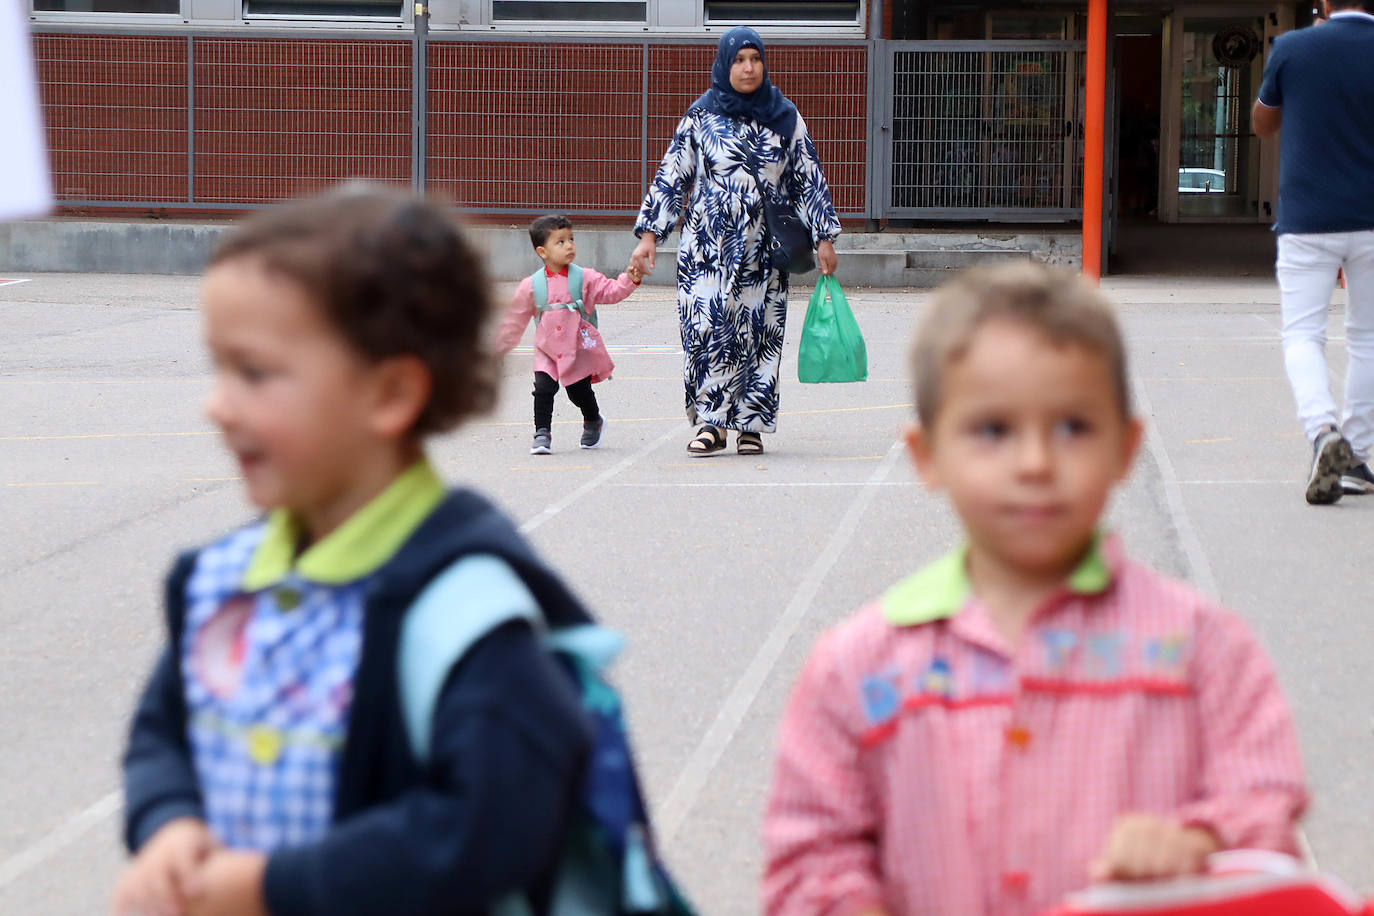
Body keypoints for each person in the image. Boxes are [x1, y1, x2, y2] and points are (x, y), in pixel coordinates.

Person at [761, 264, 1308, 916]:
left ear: (1125, 449)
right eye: (992, 430)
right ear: (927, 454)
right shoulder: (855, 670)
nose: (1035, 463)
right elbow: (808, 858)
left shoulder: (1202, 649)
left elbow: (1268, 813)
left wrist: (1199, 841)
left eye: (1073, 427)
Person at [113, 188, 595, 916]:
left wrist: (269, 887)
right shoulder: (222, 582)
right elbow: (163, 733)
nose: (216, 405)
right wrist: (170, 822)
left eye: (255, 373)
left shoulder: (464, 616)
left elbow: (493, 825)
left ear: (389, 394)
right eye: (218, 370)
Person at [630, 26, 842, 457]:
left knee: (760, 330)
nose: (748, 68)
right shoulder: (701, 115)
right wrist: (650, 235)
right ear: (725, 65)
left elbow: (808, 178)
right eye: (739, 60)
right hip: (708, 243)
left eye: (755, 59)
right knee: (706, 327)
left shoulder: (785, 117)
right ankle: (712, 422)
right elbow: (675, 173)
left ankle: (751, 425)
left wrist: (824, 237)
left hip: (765, 243)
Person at [1252, 0, 1374, 504]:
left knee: (1303, 333)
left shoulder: (1294, 48)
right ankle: (1358, 459)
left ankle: (1323, 431)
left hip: (1307, 218)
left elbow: (1263, 123)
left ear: (1325, 2)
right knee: (1368, 338)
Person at [494, 214, 642, 455]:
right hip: (547, 351)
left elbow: (611, 292)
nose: (569, 245)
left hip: (577, 350)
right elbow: (514, 320)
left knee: (578, 391)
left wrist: (630, 279)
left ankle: (593, 419)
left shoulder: (585, 277)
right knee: (543, 389)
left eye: (571, 239)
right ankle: (542, 432)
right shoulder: (532, 285)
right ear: (542, 252)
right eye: (560, 242)